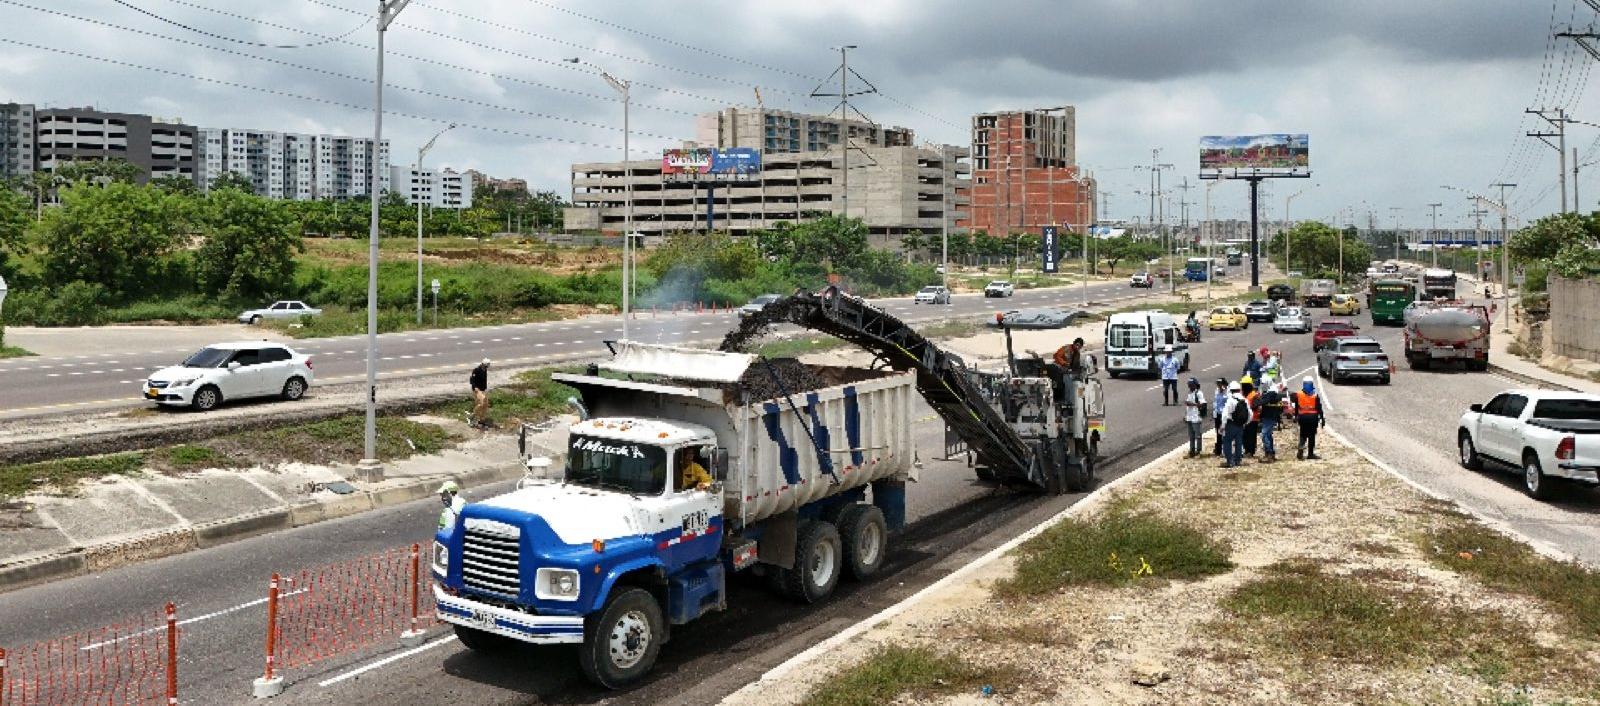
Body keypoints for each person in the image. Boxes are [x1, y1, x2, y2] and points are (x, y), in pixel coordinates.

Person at [1291, 376, 1326, 460]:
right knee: (1311, 436)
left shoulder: (1298, 395)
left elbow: (1296, 407)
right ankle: (1310, 454)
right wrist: (1322, 418)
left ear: (1303, 384)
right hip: (1313, 418)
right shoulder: (1315, 395)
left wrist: (1296, 416)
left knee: (1303, 433)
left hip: (1302, 417)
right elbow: (1319, 408)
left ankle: (1301, 446)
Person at [1256, 381, 1286, 463]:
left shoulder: (1271, 393)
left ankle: (1269, 453)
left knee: (1264, 434)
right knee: (1268, 435)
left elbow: (1263, 401)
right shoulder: (1268, 393)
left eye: (1263, 384)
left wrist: (1256, 403)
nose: (1262, 385)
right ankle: (1270, 453)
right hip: (1268, 416)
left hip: (1270, 417)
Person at [1220, 381, 1248, 468]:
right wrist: (1245, 423)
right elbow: (1249, 413)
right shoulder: (1244, 400)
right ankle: (1238, 460)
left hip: (1231, 424)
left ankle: (1230, 461)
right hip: (1240, 425)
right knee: (1239, 443)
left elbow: (1225, 414)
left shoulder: (1231, 400)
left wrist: (1223, 425)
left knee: (1227, 442)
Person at [1183, 377, 1205, 457]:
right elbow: (1187, 406)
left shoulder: (1199, 393)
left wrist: (1191, 404)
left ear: (1195, 385)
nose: (1190, 386)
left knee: (1198, 435)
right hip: (1189, 416)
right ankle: (1192, 450)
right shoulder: (1189, 393)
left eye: (1191, 385)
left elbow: (1202, 404)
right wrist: (1185, 416)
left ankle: (1198, 450)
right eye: (1189, 385)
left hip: (1196, 416)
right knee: (1191, 435)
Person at [1240, 376, 1261, 457]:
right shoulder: (1243, 394)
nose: (1243, 387)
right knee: (1245, 435)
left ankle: (1250, 451)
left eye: (1244, 385)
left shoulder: (1254, 395)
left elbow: (1255, 406)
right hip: (1245, 419)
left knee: (1251, 436)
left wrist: (1247, 407)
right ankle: (1246, 450)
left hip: (1253, 419)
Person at [469, 358, 491, 429]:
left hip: (483, 390)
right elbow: (472, 380)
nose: (486, 367)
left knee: (485, 405)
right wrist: (475, 387)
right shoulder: (476, 370)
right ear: (482, 364)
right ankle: (473, 416)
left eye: (487, 366)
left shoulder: (485, 370)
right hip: (477, 390)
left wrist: (485, 388)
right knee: (481, 403)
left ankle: (482, 420)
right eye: (485, 366)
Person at [1211, 378, 1229, 456]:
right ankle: (1218, 449)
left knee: (1224, 432)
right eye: (1218, 384)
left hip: (1224, 414)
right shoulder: (1216, 391)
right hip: (1217, 414)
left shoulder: (1228, 392)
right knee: (1218, 432)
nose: (1219, 385)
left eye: (1220, 384)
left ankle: (1225, 450)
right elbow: (1215, 402)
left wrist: (1224, 392)